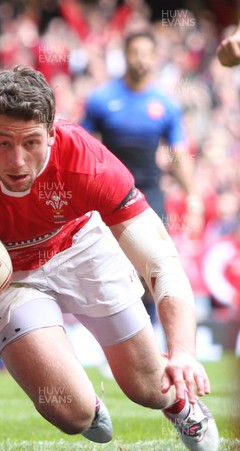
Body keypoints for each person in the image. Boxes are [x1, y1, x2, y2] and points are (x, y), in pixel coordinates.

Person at [0, 66, 219, 451]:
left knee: (147, 388)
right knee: (72, 414)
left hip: (80, 247)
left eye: (31, 142)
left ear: (52, 133)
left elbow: (161, 261)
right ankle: (83, 402)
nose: (18, 161)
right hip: (5, 277)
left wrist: (182, 352)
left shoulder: (87, 161)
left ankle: (181, 405)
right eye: (3, 143)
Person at [81, 31, 203, 322]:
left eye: (147, 53)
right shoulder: (101, 99)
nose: (141, 59)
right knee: (112, 268)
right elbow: (82, 146)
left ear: (155, 58)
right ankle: (121, 336)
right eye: (135, 52)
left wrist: (193, 198)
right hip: (109, 191)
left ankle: (153, 335)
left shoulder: (166, 104)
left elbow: (179, 154)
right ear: (124, 56)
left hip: (149, 193)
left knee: (153, 266)